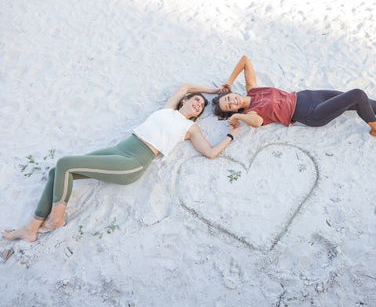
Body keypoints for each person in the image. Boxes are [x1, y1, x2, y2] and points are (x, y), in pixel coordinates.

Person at [2, 84, 240, 242]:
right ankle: (31, 228)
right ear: (185, 101)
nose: (199, 104)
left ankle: (56, 219)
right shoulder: (167, 109)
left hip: (134, 161)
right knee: (58, 170)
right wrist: (212, 90)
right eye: (196, 100)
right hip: (121, 148)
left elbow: (209, 152)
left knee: (65, 163)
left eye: (200, 106)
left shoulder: (190, 127)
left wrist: (230, 136)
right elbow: (186, 86)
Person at [212, 55, 376, 139]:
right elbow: (258, 122)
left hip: (311, 96)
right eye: (229, 106)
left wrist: (229, 81)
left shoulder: (252, 90)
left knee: (359, 102)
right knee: (358, 94)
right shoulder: (251, 113)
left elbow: (245, 60)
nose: (231, 101)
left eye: (228, 98)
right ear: (233, 110)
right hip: (309, 114)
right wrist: (239, 118)